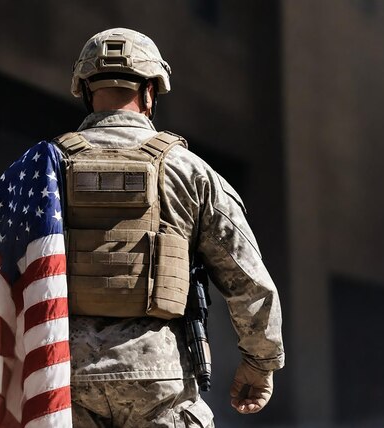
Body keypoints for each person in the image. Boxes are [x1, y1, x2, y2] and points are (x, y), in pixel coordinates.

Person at [63, 28, 284, 427]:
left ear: (84, 89)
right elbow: (247, 279)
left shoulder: (44, 167)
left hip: (65, 378)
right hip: (158, 378)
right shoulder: (188, 170)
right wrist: (259, 361)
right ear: (150, 90)